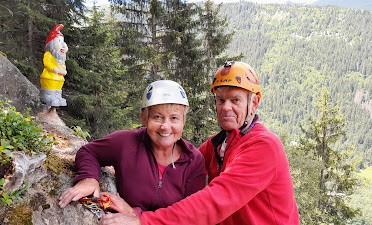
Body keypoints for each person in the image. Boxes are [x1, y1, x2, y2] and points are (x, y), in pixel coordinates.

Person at [98, 61, 300, 225]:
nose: (226, 108)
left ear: (253, 104)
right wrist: (129, 165)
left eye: (235, 100)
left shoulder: (264, 146)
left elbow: (214, 201)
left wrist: (143, 221)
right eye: (220, 100)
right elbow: (178, 165)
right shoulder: (218, 144)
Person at [59, 80, 206, 217]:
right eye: (157, 117)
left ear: (183, 121)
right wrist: (89, 178)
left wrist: (134, 214)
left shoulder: (193, 160)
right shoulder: (125, 142)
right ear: (144, 118)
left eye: (174, 118)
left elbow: (189, 216)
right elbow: (88, 152)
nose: (165, 126)